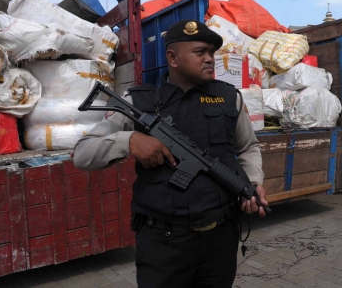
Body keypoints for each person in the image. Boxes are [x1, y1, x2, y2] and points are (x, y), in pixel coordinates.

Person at [73, 19, 268, 288]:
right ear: (172, 58)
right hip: (163, 243)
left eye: (212, 53)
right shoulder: (139, 102)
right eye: (200, 52)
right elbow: (82, 153)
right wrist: (129, 140)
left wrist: (254, 182)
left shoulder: (229, 98)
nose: (210, 59)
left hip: (220, 239)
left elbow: (248, 147)